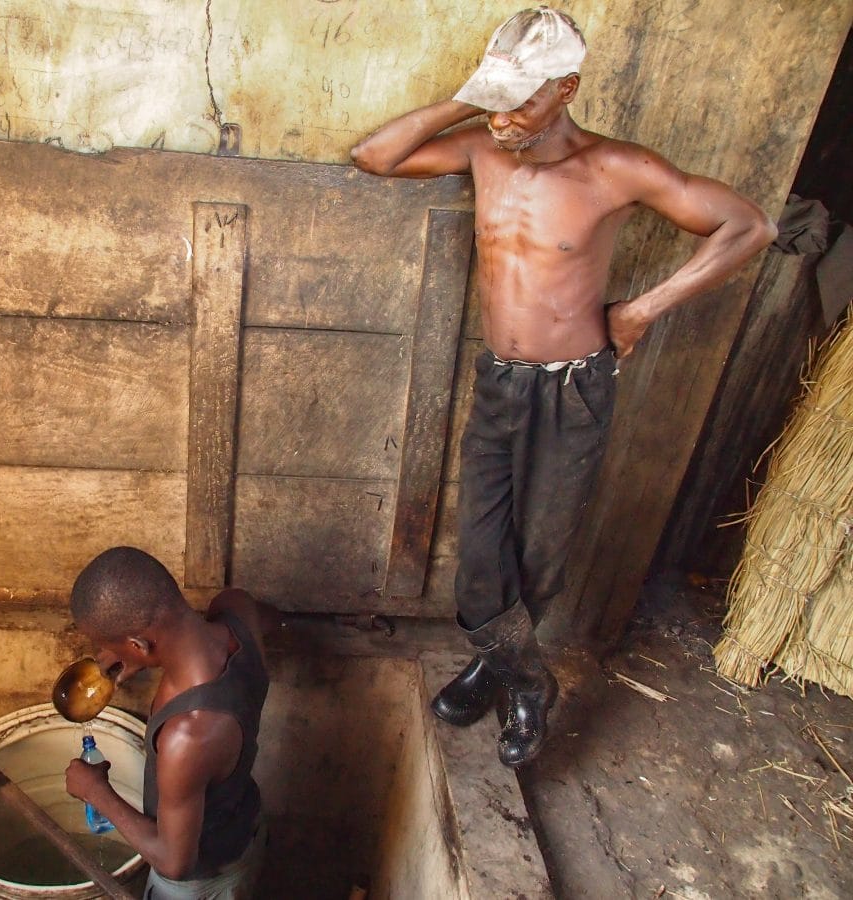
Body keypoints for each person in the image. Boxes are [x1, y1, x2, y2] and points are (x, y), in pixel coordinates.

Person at [350, 7, 776, 767]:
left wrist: (643, 309)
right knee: (481, 559)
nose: (508, 118)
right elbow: (373, 157)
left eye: (526, 99)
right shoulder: (483, 144)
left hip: (574, 389)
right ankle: (527, 678)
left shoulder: (615, 168)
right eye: (499, 100)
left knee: (540, 554)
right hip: (499, 382)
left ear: (569, 87)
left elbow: (750, 227)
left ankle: (496, 670)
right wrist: (472, 95)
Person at [63, 546, 273, 899]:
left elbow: (175, 861)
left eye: (107, 645)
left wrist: (96, 792)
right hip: (245, 826)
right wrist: (137, 652)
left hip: (203, 882)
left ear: (140, 644)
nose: (104, 657)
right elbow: (268, 619)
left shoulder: (188, 735)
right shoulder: (237, 609)